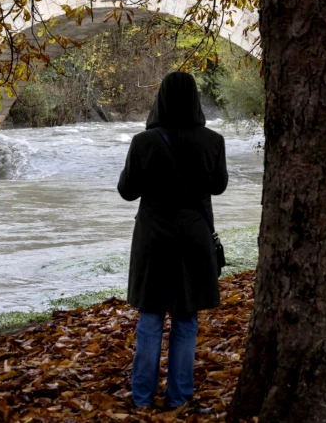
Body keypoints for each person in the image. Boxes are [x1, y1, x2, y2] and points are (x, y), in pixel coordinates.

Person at [117, 71, 228, 409]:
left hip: (153, 238)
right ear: (195, 100)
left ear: (160, 99)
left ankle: (141, 399)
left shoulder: (143, 142)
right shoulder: (213, 141)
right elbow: (219, 186)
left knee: (150, 317)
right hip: (194, 236)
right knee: (186, 317)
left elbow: (127, 191)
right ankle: (178, 398)